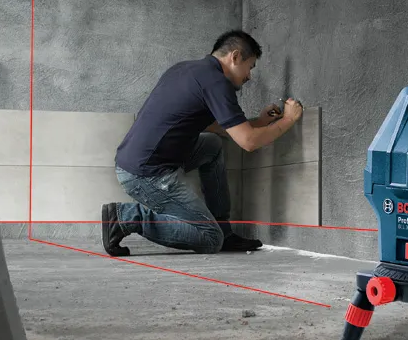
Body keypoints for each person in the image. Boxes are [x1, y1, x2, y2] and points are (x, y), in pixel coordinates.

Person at [101, 30, 303, 257]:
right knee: (209, 239)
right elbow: (248, 142)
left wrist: (260, 121)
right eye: (250, 66)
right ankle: (126, 217)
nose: (249, 76)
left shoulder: (189, 70)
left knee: (212, 145)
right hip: (145, 174)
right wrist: (288, 119)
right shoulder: (217, 83)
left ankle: (224, 230)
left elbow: (218, 127)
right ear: (235, 57)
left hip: (141, 159)